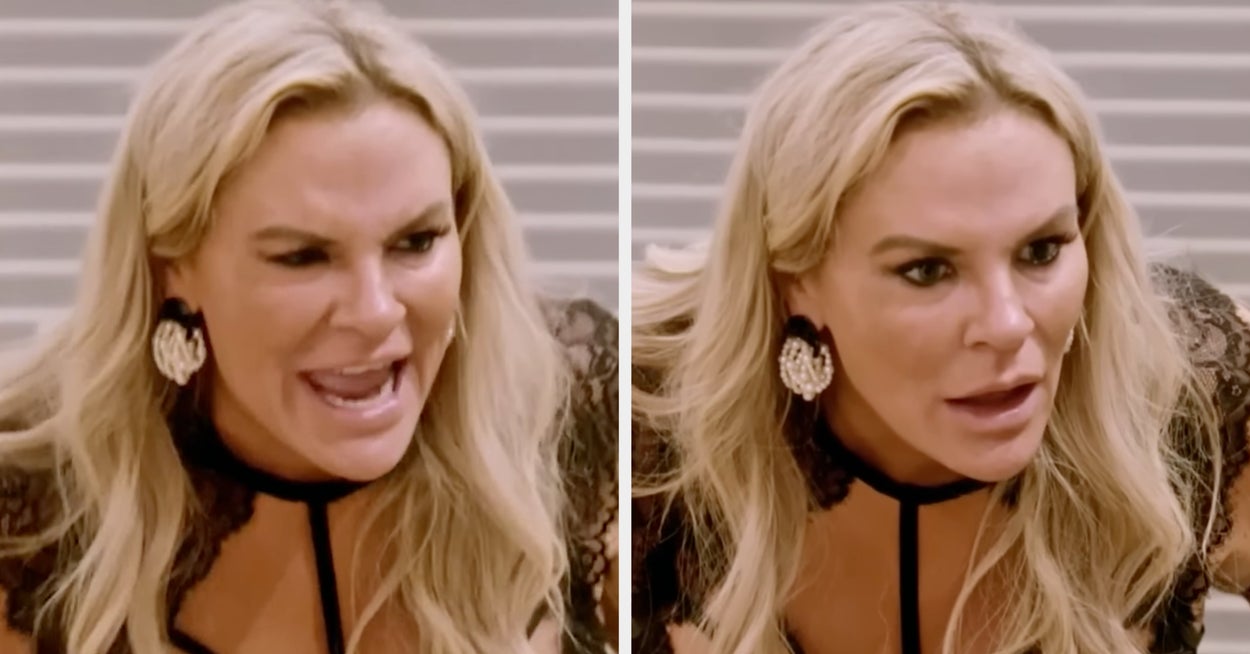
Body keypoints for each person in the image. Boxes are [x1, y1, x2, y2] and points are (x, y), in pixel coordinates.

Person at [0, 1, 618, 653]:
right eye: (302, 256)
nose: (376, 311)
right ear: (172, 267)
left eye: (416, 241)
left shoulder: (576, 413)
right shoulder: (27, 510)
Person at [632, 3, 1249, 654]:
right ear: (795, 280)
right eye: (927, 270)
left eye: (1041, 251)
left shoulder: (1199, 392)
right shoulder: (642, 424)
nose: (1007, 324)